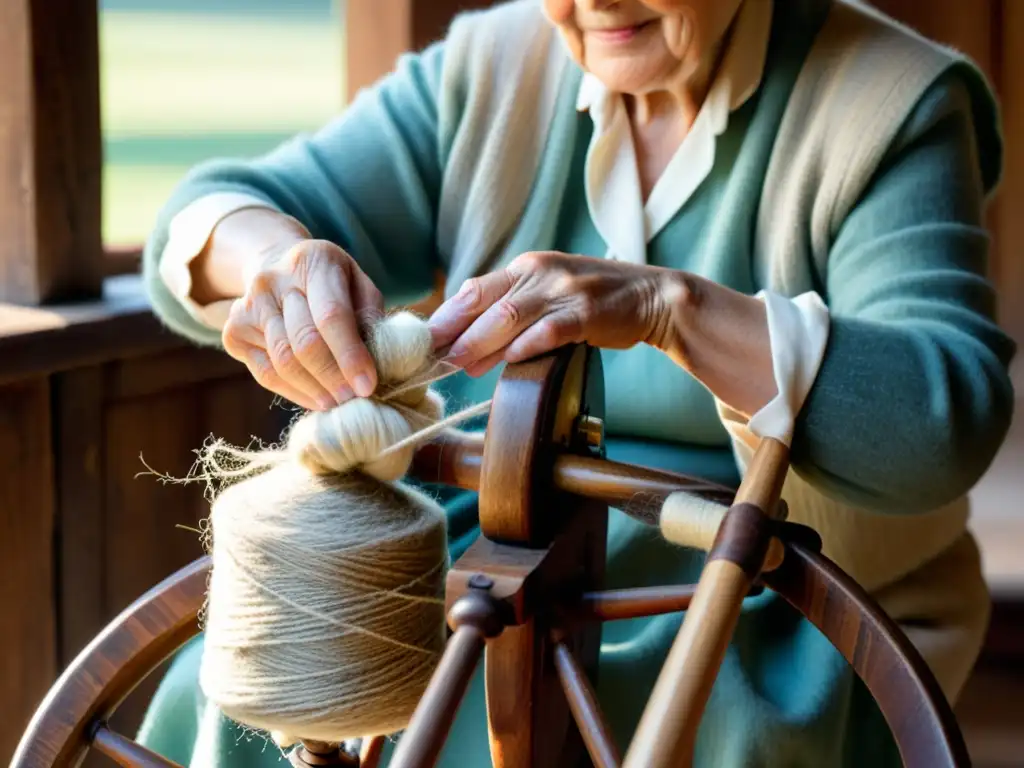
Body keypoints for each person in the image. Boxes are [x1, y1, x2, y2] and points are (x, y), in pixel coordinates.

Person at [138, 0, 1016, 765]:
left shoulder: (890, 101)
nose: (592, 1)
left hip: (769, 582)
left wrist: (667, 307)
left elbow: (938, 422)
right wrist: (279, 266)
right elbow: (208, 213)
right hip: (503, 534)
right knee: (258, 675)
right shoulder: (495, 69)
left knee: (696, 725)